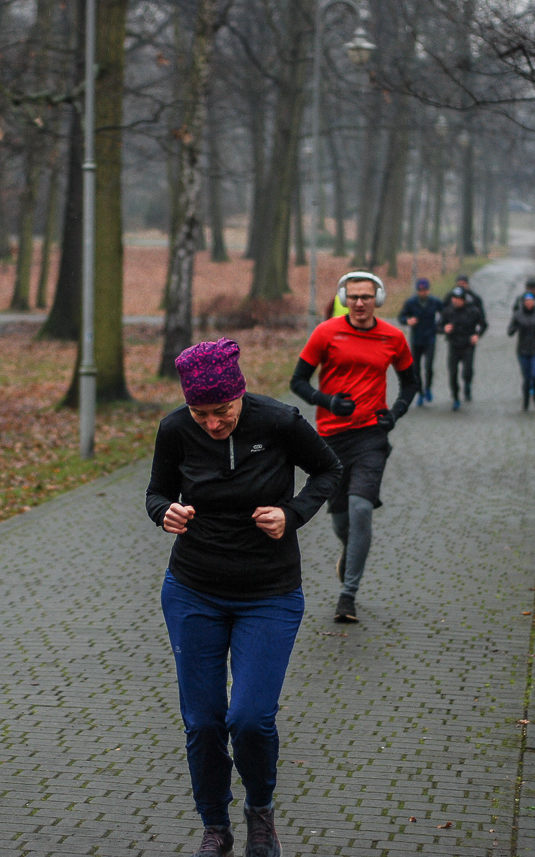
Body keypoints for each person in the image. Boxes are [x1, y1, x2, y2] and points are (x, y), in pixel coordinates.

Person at [147, 338, 342, 857]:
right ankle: (215, 825)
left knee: (250, 719)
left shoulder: (279, 422)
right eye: (201, 412)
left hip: (269, 593)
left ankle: (260, 812)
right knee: (205, 720)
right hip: (193, 590)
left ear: (241, 392)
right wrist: (165, 512)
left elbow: (329, 469)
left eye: (223, 410)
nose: (212, 423)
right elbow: (156, 492)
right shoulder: (174, 429)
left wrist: (293, 513)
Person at [290, 271, 419, 623]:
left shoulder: (392, 337)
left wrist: (395, 413)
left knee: (361, 508)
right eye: (353, 297)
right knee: (342, 521)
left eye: (366, 297)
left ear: (377, 299)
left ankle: (347, 596)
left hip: (370, 437)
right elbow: (297, 381)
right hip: (330, 438)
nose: (359, 303)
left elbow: (410, 383)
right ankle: (351, 551)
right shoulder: (325, 333)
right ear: (344, 299)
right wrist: (327, 401)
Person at [397, 278, 443, 405]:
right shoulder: (411, 303)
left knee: (428, 367)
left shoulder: (435, 302)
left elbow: (446, 313)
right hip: (416, 339)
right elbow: (401, 317)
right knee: (416, 369)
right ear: (417, 291)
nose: (423, 292)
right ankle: (420, 393)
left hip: (430, 338)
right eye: (421, 290)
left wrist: (439, 327)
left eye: (425, 290)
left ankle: (428, 388)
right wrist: (408, 321)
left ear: (428, 290)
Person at [441, 285, 487, 410]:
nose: (455, 301)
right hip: (454, 345)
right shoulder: (448, 311)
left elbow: (483, 324)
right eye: (454, 298)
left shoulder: (473, 311)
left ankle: (467, 384)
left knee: (467, 371)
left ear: (463, 300)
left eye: (458, 299)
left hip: (468, 346)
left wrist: (477, 335)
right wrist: (444, 329)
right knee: (453, 373)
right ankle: (455, 397)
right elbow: (438, 326)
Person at [508, 290, 535, 410]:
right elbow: (510, 331)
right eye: (527, 302)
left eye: (531, 301)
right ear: (523, 303)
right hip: (523, 351)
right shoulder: (518, 315)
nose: (529, 304)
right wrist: (516, 327)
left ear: (534, 302)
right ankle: (526, 400)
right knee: (526, 377)